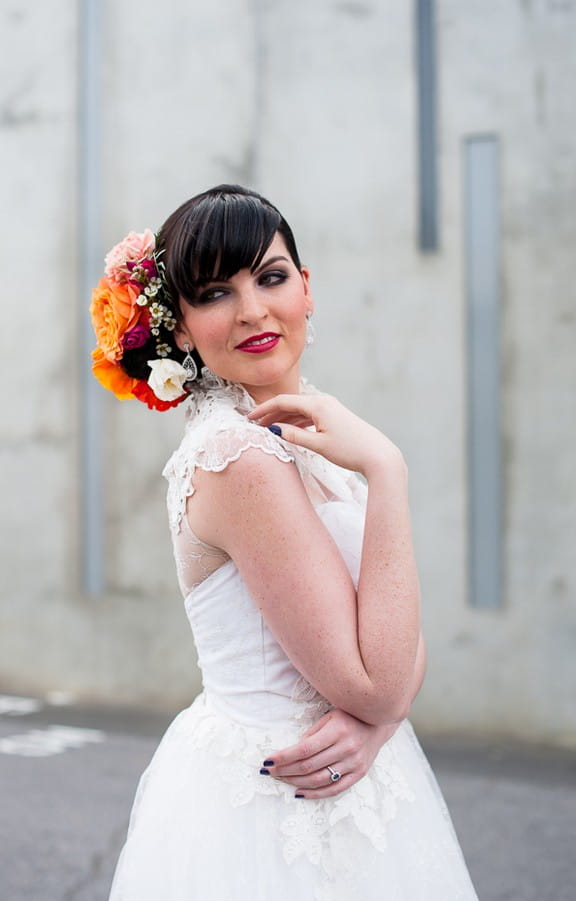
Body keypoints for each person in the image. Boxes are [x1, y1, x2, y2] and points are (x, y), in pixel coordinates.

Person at [90, 184, 479, 899]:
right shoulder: (240, 456)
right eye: (214, 292)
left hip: (351, 774)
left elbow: (397, 638)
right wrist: (386, 470)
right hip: (273, 811)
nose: (252, 310)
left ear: (306, 289)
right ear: (179, 328)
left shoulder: (305, 426)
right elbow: (377, 678)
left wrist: (374, 723)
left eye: (270, 277)